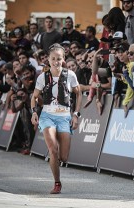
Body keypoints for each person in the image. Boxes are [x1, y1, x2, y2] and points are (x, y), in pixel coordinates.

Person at [30, 43, 82, 194]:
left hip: (64, 117)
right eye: (53, 59)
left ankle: (56, 162)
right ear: (48, 59)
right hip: (47, 116)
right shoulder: (43, 77)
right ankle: (57, 183)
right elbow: (34, 97)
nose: (56, 62)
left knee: (64, 157)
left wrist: (76, 115)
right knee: (53, 149)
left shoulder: (70, 75)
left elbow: (78, 94)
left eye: (59, 59)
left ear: (63, 59)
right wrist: (34, 113)